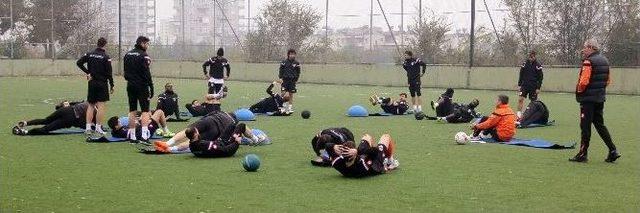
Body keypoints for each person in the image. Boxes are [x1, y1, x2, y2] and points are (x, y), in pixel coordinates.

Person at [570, 39, 620, 163]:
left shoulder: (588, 62)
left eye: (585, 47)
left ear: (591, 48)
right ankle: (613, 150)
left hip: (588, 99)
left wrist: (579, 91)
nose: (583, 50)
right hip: (599, 98)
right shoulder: (605, 60)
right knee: (599, 124)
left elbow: (583, 81)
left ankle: (582, 154)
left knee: (585, 126)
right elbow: (607, 81)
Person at [149, 111, 265, 156]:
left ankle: (168, 144)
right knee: (195, 141)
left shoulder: (220, 112)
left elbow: (207, 115)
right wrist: (247, 139)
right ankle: (256, 140)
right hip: (217, 131)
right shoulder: (232, 121)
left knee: (189, 132)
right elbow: (243, 130)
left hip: (208, 120)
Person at [76, 37, 113, 136]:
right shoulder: (106, 57)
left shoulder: (89, 54)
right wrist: (112, 85)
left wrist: (88, 72)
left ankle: (88, 128)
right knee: (101, 106)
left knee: (91, 105)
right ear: (105, 45)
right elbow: (109, 73)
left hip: (92, 83)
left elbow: (79, 63)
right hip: (102, 83)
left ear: (97, 44)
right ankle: (98, 128)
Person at [325, 134, 398, 178]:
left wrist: (333, 146)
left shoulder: (337, 163)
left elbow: (327, 146)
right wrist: (358, 151)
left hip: (361, 156)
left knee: (366, 136)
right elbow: (375, 151)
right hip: (375, 163)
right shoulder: (362, 165)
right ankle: (390, 161)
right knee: (386, 137)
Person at [123, 36, 154, 141]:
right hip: (141, 85)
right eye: (147, 44)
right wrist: (151, 85)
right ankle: (144, 136)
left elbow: (125, 72)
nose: (148, 46)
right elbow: (146, 72)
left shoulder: (127, 54)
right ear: (142, 43)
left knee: (132, 110)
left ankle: (132, 136)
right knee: (145, 110)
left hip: (130, 84)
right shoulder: (144, 55)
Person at [12, 101, 93, 135]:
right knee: (46, 129)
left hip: (65, 110)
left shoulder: (87, 102)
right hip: (70, 118)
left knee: (46, 120)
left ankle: (26, 123)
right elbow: (83, 124)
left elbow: (73, 103)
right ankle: (25, 132)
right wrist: (94, 127)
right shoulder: (94, 111)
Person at [107, 109, 174, 139]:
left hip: (142, 130)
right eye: (119, 122)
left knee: (149, 113)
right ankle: (166, 131)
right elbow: (136, 131)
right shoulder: (122, 132)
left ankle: (160, 129)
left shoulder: (115, 131)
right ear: (116, 126)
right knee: (160, 112)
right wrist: (143, 123)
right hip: (146, 132)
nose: (120, 122)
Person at [517, 50, 543, 119]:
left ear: (535, 56)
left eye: (532, 57)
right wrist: (519, 85)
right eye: (530, 57)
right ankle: (518, 115)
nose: (531, 58)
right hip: (524, 86)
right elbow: (521, 74)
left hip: (533, 87)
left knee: (533, 103)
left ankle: (530, 116)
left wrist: (538, 88)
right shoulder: (524, 64)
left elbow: (540, 78)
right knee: (520, 99)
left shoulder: (538, 65)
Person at [278, 49, 301, 113]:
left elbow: (298, 72)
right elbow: (281, 70)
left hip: (292, 81)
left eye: (293, 54)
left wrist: (296, 79)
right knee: (283, 93)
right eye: (291, 54)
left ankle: (290, 108)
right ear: (288, 54)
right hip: (285, 80)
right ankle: (282, 106)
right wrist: (280, 78)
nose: (292, 55)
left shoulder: (296, 63)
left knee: (291, 94)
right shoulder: (284, 62)